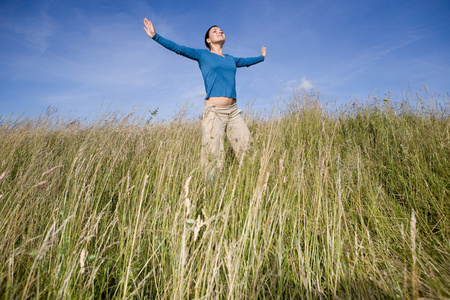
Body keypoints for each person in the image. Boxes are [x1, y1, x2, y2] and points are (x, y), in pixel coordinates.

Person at [143, 18, 266, 179]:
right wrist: (155, 36)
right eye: (214, 31)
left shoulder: (230, 59)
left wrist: (261, 57)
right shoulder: (203, 55)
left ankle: (255, 184)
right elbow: (179, 49)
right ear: (208, 40)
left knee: (248, 148)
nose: (219, 31)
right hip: (214, 112)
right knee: (212, 154)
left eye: (221, 30)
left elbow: (246, 61)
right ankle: (212, 193)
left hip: (233, 112)